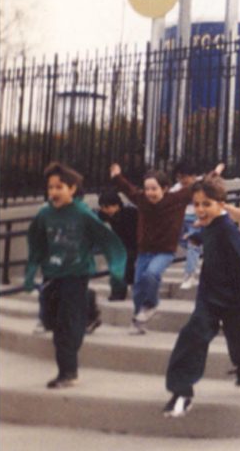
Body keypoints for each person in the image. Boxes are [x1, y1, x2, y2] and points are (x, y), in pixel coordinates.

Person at [163, 178, 240, 418]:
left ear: (221, 204)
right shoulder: (210, 226)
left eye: (206, 204)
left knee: (239, 340)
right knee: (193, 334)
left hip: (239, 297)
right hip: (210, 295)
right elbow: (209, 237)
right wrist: (198, 238)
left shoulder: (229, 231)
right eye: (196, 204)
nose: (199, 209)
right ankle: (182, 392)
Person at [25, 162, 126, 388]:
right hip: (53, 273)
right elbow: (36, 243)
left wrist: (117, 271)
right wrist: (31, 271)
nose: (53, 192)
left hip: (76, 274)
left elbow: (109, 242)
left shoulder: (83, 214)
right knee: (50, 318)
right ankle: (88, 307)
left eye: (59, 187)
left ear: (72, 189)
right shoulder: (45, 214)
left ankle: (68, 372)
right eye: (50, 187)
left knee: (65, 325)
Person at [110, 163, 194, 334]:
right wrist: (117, 176)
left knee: (152, 274)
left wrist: (216, 173)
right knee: (139, 285)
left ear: (165, 188)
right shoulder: (142, 199)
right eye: (147, 189)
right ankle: (138, 321)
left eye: (154, 189)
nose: (150, 193)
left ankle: (152, 303)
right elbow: (128, 190)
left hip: (165, 251)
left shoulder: (176, 199)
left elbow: (197, 187)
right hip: (144, 251)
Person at [168, 159, 204, 291]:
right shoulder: (177, 188)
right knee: (185, 242)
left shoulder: (201, 185)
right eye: (179, 177)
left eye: (185, 177)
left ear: (193, 176)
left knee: (192, 244)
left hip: (197, 219)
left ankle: (189, 275)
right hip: (181, 220)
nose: (182, 180)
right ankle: (197, 252)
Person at [96, 189, 139, 302]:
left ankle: (125, 289)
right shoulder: (105, 214)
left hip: (135, 244)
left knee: (125, 265)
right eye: (103, 208)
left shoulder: (130, 213)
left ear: (117, 205)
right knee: (118, 267)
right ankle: (118, 292)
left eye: (108, 207)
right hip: (121, 246)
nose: (106, 210)